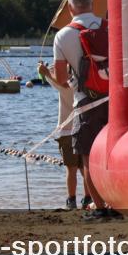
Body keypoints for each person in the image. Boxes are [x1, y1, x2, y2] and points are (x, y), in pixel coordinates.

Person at [42, 0, 112, 220]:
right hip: (114, 101)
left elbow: (61, 80)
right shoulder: (109, 26)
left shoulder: (62, 35)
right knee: (113, 153)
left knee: (87, 157)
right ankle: (116, 201)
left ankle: (100, 207)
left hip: (85, 103)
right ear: (92, 4)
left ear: (70, 7)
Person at [36, 65, 89, 210]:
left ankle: (71, 200)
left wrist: (46, 72)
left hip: (66, 132)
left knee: (71, 169)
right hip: (83, 129)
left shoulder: (63, 85)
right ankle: (87, 198)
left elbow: (57, 81)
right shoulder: (83, 86)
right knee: (85, 169)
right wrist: (48, 73)